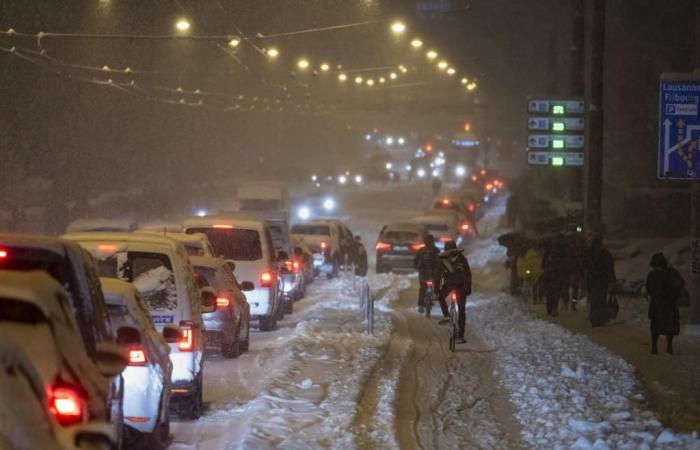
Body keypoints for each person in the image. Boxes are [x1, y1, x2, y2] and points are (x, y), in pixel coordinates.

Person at [436, 240, 472, 344]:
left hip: (450, 286)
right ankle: (460, 335)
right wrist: (467, 287)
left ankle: (446, 316)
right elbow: (468, 274)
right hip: (460, 287)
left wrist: (436, 289)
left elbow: (437, 276)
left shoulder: (442, 260)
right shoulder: (462, 259)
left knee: (440, 297)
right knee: (461, 310)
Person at [646, 253, 680, 354]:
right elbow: (680, 284)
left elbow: (648, 289)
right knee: (669, 325)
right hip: (669, 304)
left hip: (657, 304)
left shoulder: (652, 274)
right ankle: (669, 346)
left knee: (655, 326)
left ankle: (654, 346)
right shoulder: (672, 272)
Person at [586, 236, 616, 327]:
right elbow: (610, 267)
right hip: (602, 280)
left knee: (594, 300)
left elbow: (583, 264)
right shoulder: (605, 253)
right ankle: (599, 319)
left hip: (592, 280)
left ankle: (594, 318)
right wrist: (612, 279)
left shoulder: (588, 253)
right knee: (601, 300)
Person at [414, 234, 440, 312]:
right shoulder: (436, 250)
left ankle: (421, 305)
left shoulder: (421, 250)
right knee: (436, 284)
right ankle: (434, 296)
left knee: (423, 288)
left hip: (423, 272)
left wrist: (416, 267)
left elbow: (416, 260)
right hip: (433, 272)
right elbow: (441, 260)